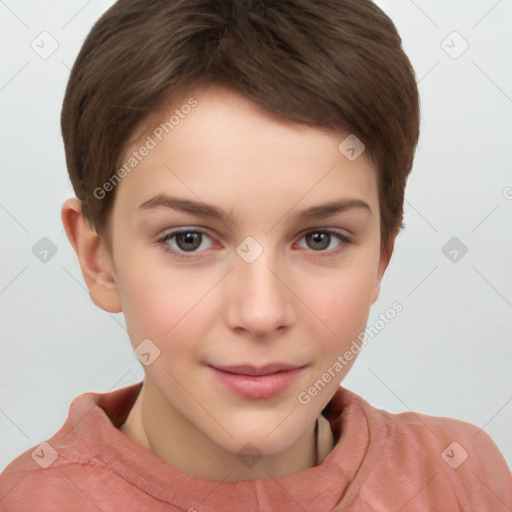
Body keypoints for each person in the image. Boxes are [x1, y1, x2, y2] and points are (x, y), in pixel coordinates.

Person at [1, 0, 510, 510]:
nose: (261, 313)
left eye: (320, 239)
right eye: (189, 240)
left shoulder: (461, 476)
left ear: (382, 256)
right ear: (98, 260)